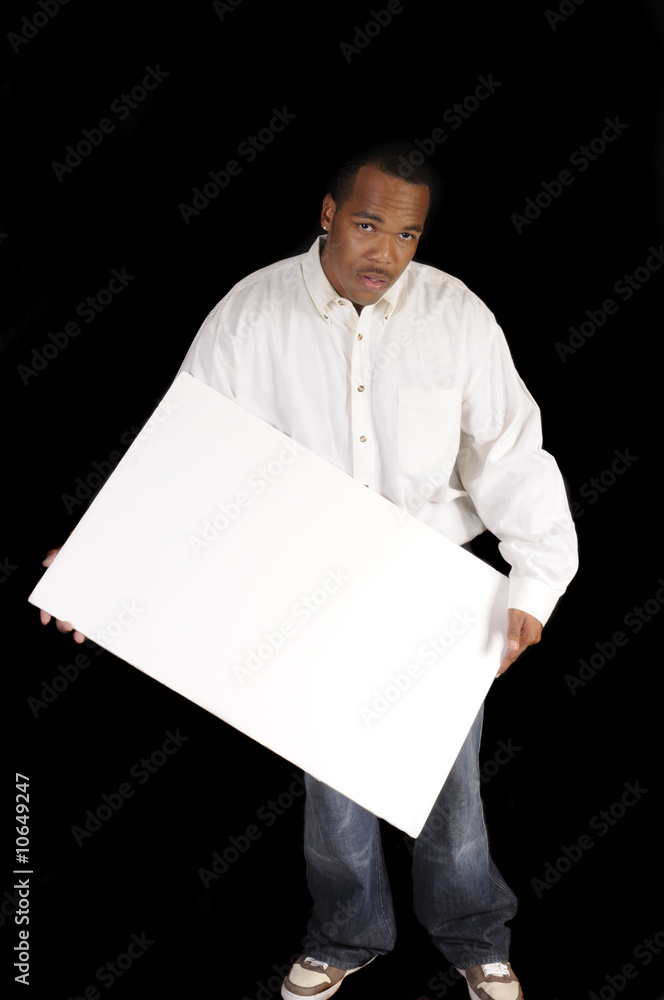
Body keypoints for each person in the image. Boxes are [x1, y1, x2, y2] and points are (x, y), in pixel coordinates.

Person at [41, 141, 578, 1000]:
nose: (387, 255)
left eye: (407, 236)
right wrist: (101, 557)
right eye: (368, 226)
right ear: (328, 214)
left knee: (452, 787)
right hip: (307, 581)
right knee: (334, 789)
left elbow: (511, 455)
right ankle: (345, 934)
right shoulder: (253, 313)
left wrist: (537, 585)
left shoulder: (457, 314)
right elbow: (189, 450)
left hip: (431, 581)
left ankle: (477, 939)